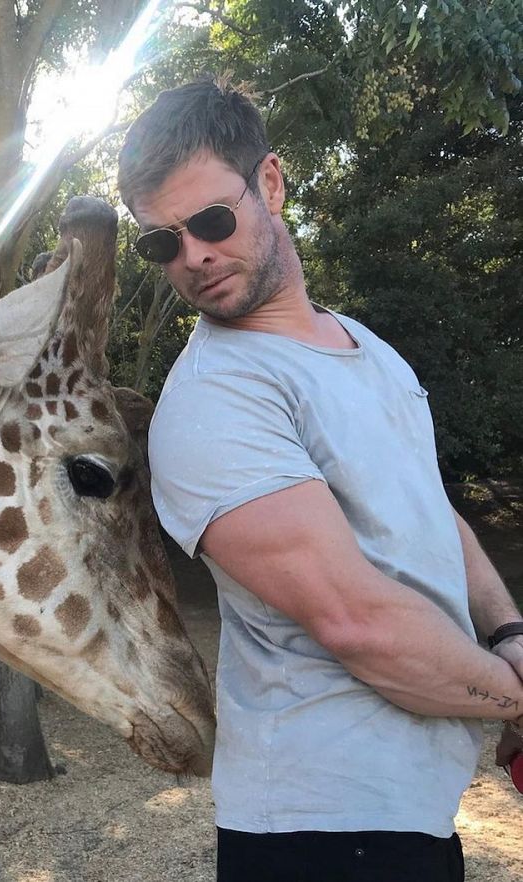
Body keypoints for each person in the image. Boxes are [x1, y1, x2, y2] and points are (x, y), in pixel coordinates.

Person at [117, 78, 523, 882]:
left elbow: (432, 512)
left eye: (210, 222)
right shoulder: (212, 402)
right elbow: (357, 624)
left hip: (410, 817)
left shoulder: (369, 350)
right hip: (316, 835)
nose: (192, 256)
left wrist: (510, 634)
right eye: (161, 243)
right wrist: (515, 698)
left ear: (269, 183)